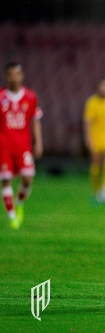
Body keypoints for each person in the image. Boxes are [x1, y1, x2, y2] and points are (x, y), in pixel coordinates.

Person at [0, 62, 43, 229]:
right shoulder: (1, 96)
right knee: (6, 180)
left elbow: (35, 120)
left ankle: (19, 203)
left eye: (17, 74)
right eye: (10, 74)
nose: (14, 77)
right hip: (4, 146)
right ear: (6, 76)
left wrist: (38, 142)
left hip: (24, 146)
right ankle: (12, 217)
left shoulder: (30, 96)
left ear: (21, 75)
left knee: (27, 179)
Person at [83, 78, 105, 205]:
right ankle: (97, 192)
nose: (104, 89)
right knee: (96, 165)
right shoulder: (92, 102)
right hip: (96, 137)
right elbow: (87, 123)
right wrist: (88, 138)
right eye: (102, 86)